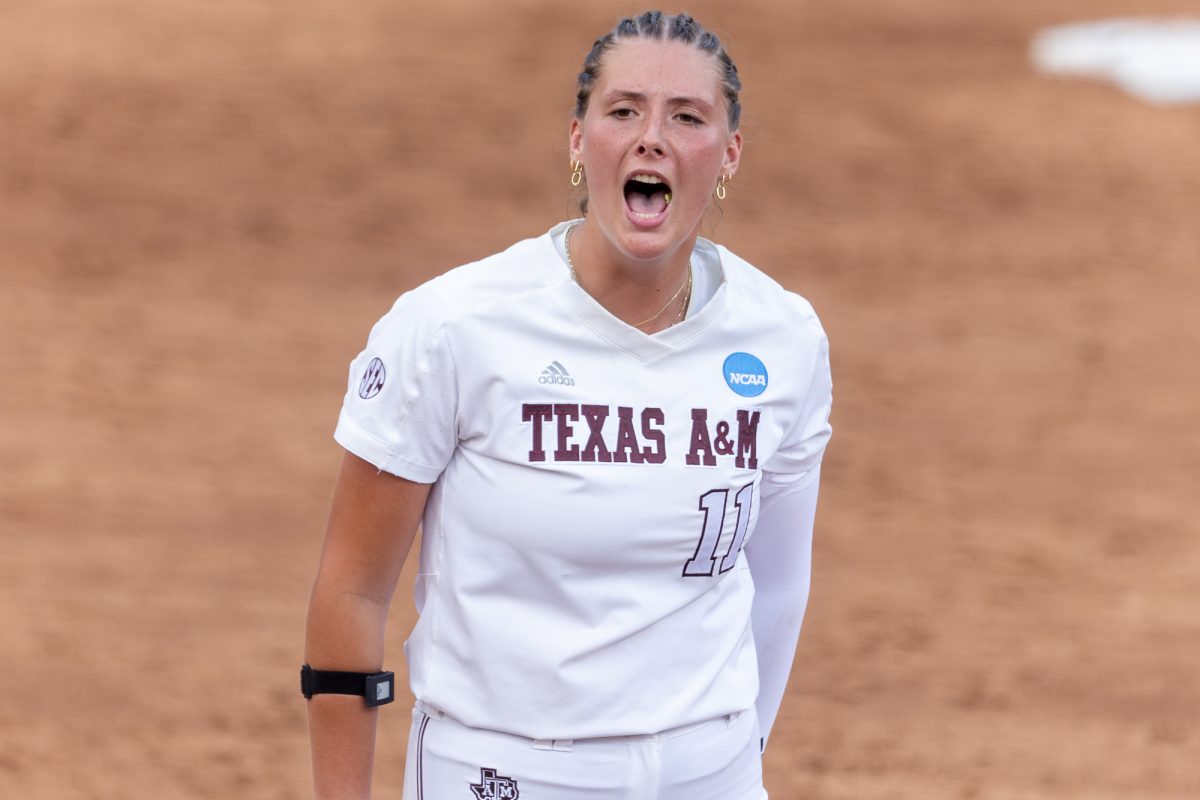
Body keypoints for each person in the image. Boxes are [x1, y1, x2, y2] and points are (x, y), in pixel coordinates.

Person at [304, 10, 832, 800]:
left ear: (727, 157)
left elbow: (779, 585)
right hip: (503, 774)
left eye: (686, 117)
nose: (651, 137)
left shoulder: (783, 338)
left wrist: (733, 759)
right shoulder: (454, 327)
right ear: (580, 143)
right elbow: (351, 588)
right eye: (623, 111)